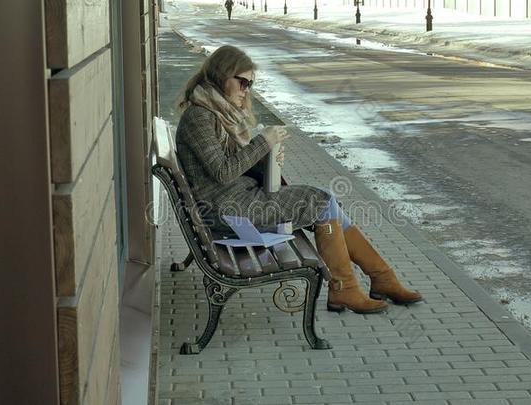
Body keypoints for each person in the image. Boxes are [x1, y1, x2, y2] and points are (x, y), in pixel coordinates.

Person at [175, 45, 422, 314]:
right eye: (242, 82)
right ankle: (355, 286)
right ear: (222, 74)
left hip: (235, 201)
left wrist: (268, 158)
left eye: (250, 84)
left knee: (325, 204)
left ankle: (374, 280)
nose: (246, 90)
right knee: (321, 201)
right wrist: (264, 141)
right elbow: (223, 172)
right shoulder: (200, 116)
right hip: (229, 211)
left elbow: (232, 165)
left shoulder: (216, 113)